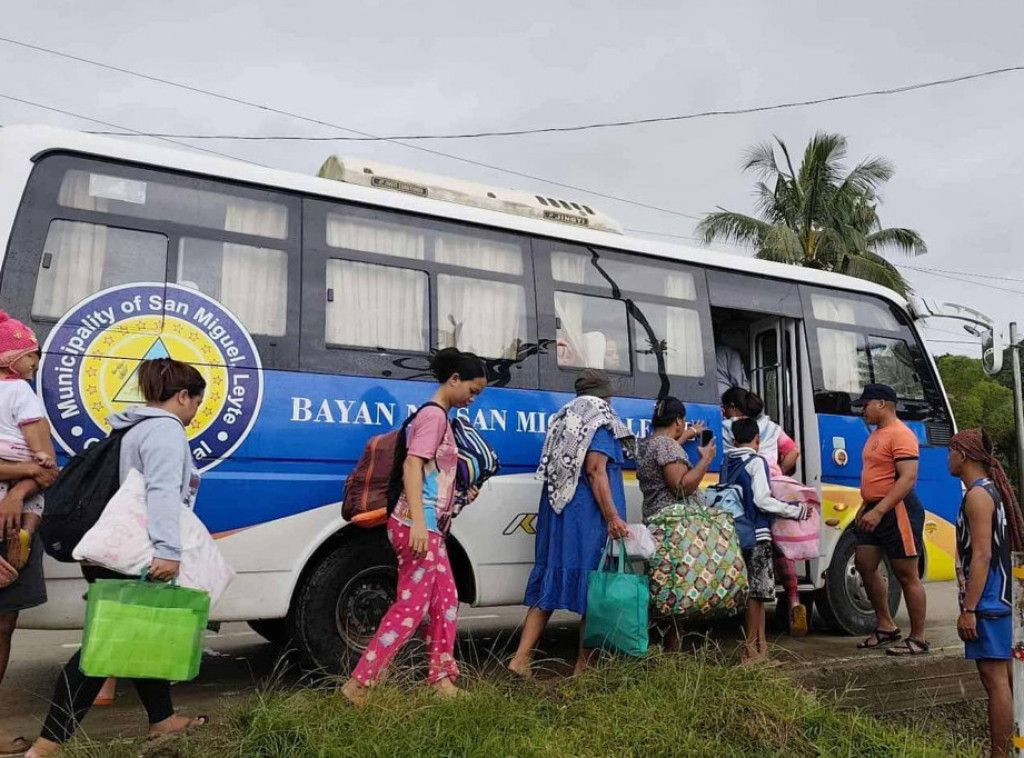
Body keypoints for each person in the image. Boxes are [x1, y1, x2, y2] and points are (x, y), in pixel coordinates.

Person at [26, 358, 210, 758]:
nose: (195, 413)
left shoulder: (132, 426)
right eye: (196, 402)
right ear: (183, 396)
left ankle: (162, 721)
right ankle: (45, 746)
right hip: (134, 554)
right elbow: (161, 492)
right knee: (103, 649)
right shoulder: (165, 430)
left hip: (111, 549)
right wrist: (168, 550)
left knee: (144, 634)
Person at [341, 348, 487, 707]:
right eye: (472, 390)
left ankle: (440, 678)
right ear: (454, 379)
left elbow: (433, 475)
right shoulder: (434, 416)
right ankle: (360, 684)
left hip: (428, 527)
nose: (472, 399)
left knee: (446, 601)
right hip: (414, 525)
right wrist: (420, 524)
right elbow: (412, 467)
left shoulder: (439, 417)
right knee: (410, 609)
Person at [508, 369, 634, 677]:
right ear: (606, 395)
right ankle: (583, 668)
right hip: (587, 517)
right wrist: (612, 516)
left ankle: (521, 659)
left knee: (549, 585)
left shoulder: (566, 419)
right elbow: (595, 471)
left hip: (559, 513)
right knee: (596, 587)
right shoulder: (599, 421)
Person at [949, 429, 1020, 758]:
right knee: (1004, 678)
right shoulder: (991, 491)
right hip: (998, 597)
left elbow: (981, 555)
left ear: (963, 455)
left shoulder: (977, 495)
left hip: (989, 601)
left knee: (995, 682)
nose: (948, 456)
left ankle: (1000, 753)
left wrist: (970, 608)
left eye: (951, 450)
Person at [722, 388, 810, 635]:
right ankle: (793, 600)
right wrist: (779, 472)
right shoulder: (772, 427)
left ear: (735, 409)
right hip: (774, 486)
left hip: (747, 487)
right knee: (784, 548)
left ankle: (749, 636)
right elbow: (793, 450)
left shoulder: (731, 427)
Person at [851, 383, 929, 656]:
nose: (864, 411)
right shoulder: (876, 435)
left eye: (866, 405)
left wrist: (880, 509)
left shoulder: (901, 434)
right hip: (874, 507)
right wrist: (865, 506)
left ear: (882, 403)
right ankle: (885, 626)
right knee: (863, 563)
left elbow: (907, 478)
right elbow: (877, 475)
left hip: (897, 510)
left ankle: (918, 639)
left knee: (907, 574)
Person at [636, 396, 715, 650]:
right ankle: (672, 652)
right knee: (677, 589)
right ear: (678, 420)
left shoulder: (649, 444)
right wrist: (705, 460)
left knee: (663, 587)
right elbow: (681, 486)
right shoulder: (666, 448)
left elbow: (667, 453)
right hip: (674, 531)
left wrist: (689, 434)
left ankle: (660, 648)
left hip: (655, 521)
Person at [0, 459, 58, 757]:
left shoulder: (32, 414)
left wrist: (17, 493)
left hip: (17, 528)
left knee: (3, 628)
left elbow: (48, 470)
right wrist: (30, 470)